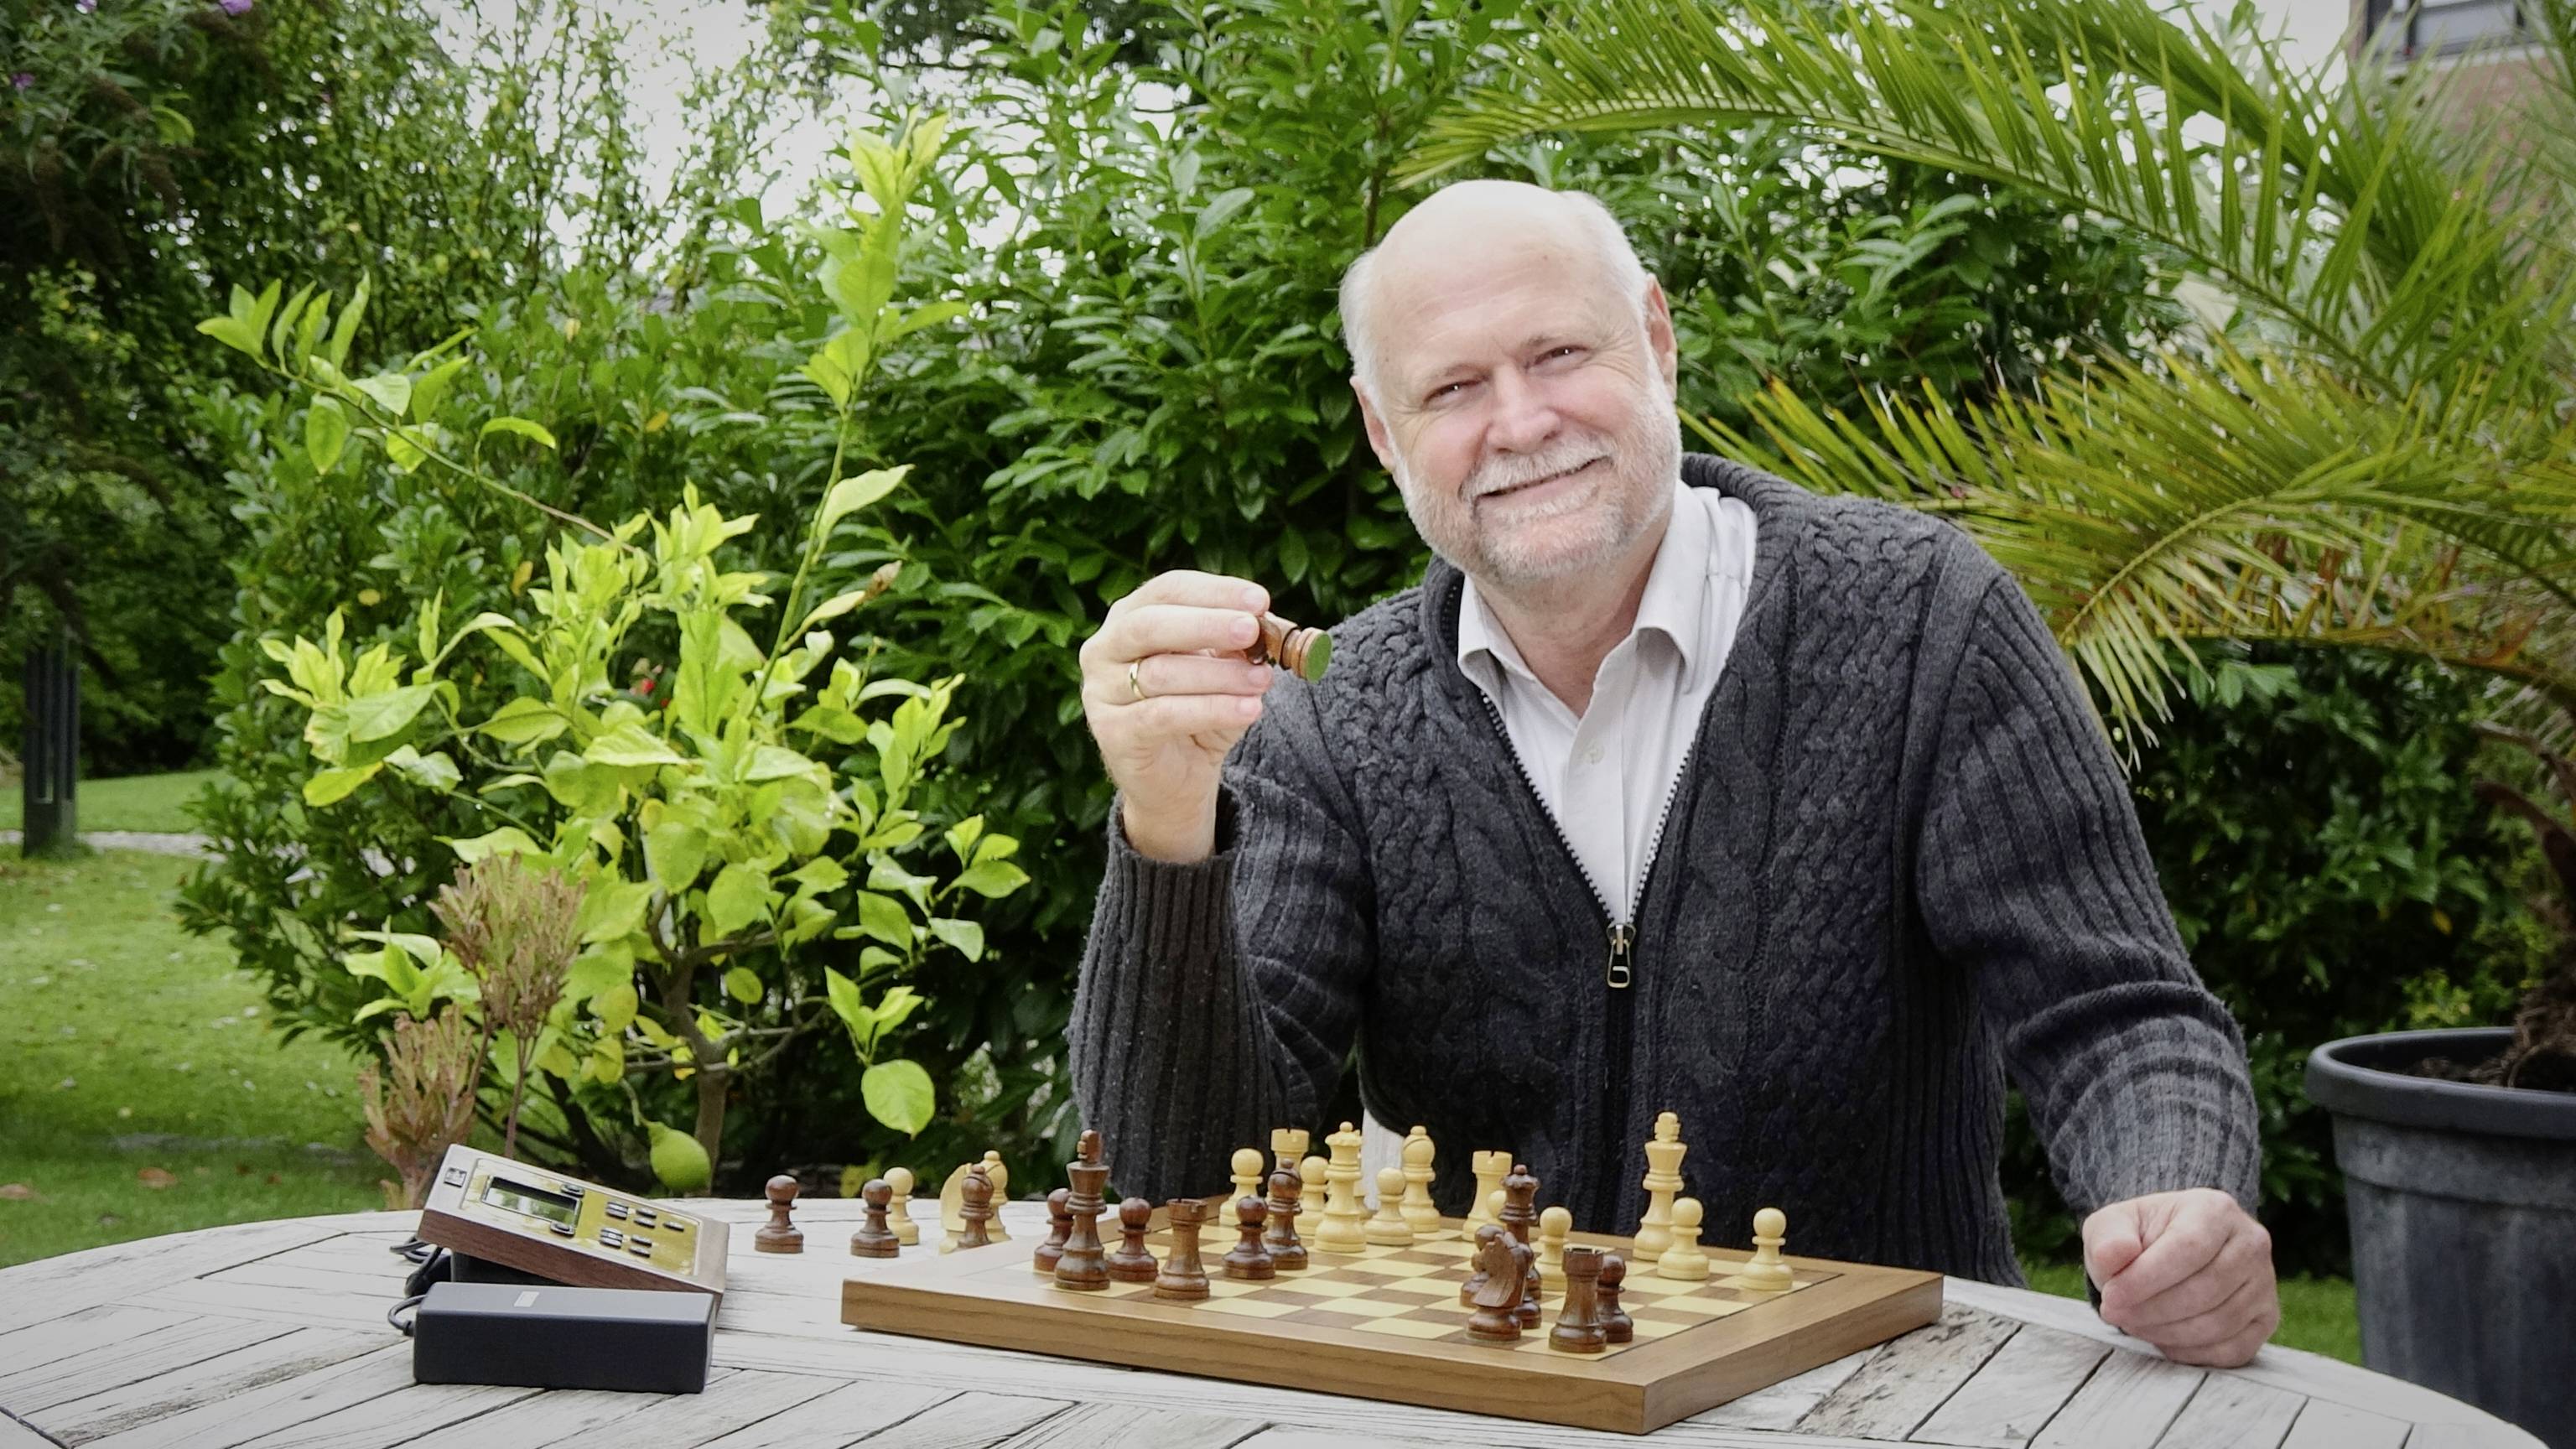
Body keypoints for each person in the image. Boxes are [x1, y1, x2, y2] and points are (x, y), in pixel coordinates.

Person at [1068, 179, 2277, 1367]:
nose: (1522, 422)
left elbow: (2115, 1014)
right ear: (1385, 434)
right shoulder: (1334, 722)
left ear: (1656, 338)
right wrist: (1167, 821)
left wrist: (2173, 1194)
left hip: (1883, 1396)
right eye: (1452, 388)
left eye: (1556, 354)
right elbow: (1169, 1186)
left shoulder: (1924, 623)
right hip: (1498, 1400)